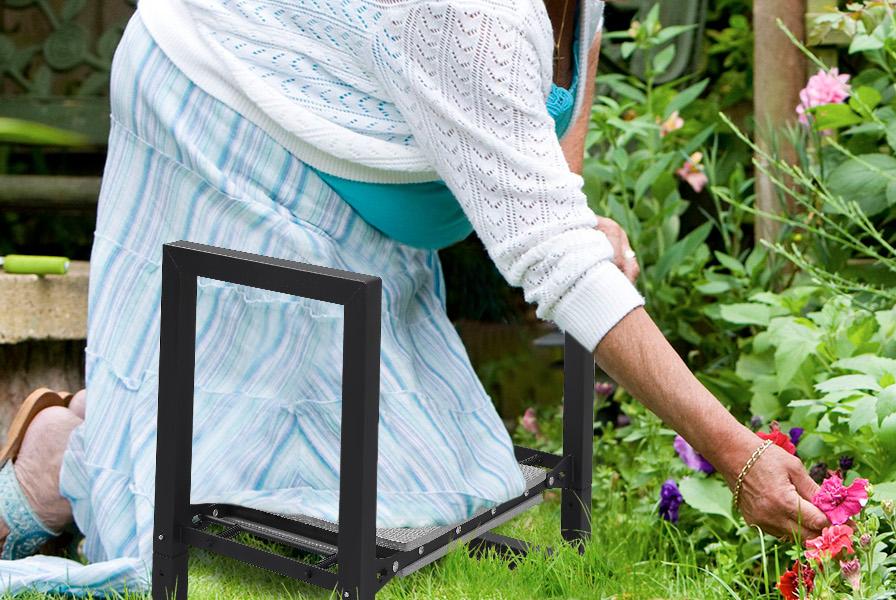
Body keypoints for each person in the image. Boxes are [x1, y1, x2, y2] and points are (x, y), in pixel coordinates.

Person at [0, 0, 827, 593]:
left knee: (428, 490)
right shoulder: (472, 14)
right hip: (219, 94)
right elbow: (550, 258)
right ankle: (72, 464)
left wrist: (583, 223)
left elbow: (546, 178)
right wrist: (733, 448)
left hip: (351, 144)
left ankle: (68, 442)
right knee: (250, 435)